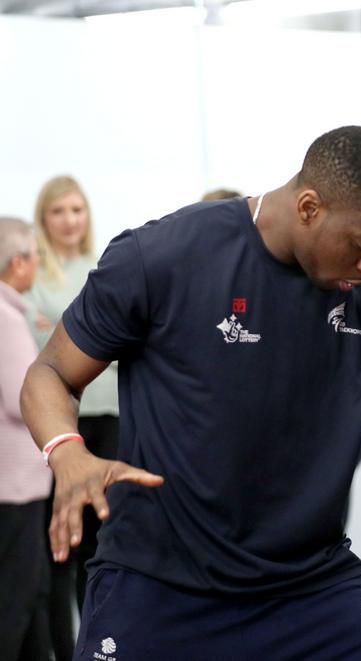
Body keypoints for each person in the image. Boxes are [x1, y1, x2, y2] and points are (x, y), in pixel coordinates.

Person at [19, 125, 361, 660]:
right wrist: (66, 452)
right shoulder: (162, 257)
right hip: (160, 585)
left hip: (311, 587)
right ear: (309, 207)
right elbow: (49, 373)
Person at [22, 175, 120, 658]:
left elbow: (115, 343)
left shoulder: (103, 267)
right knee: (60, 545)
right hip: (57, 428)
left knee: (102, 545)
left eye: (77, 210)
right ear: (44, 217)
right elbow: (38, 355)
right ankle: (63, 647)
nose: (69, 220)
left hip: (108, 419)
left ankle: (99, 641)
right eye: (59, 211)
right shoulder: (33, 274)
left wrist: (57, 330)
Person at [0, 216, 51, 661]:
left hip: (13, 485)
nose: (37, 263)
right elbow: (22, 401)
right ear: (17, 264)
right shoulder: (8, 318)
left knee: (33, 594)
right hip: (16, 486)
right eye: (35, 256)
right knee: (16, 599)